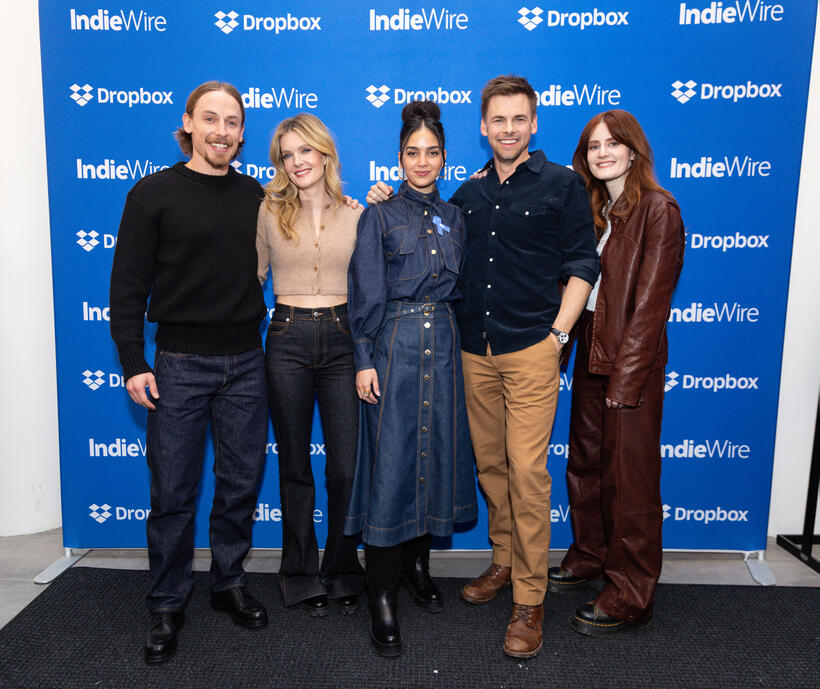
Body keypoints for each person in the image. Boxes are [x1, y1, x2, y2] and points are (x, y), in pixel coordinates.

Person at [366, 75, 599, 658]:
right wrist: (372, 199)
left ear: (534, 123)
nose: (508, 129)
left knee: (527, 473)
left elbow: (582, 265)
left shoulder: (563, 184)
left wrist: (558, 336)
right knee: (491, 468)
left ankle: (529, 598)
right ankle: (503, 560)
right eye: (498, 120)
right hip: (471, 353)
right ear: (483, 127)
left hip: (531, 350)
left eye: (519, 119)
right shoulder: (466, 196)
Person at [109, 81, 269, 664]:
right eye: (211, 119)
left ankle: (228, 583)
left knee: (240, 484)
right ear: (188, 123)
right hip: (177, 364)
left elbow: (313, 222)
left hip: (247, 361)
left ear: (242, 133)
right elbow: (127, 286)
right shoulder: (152, 194)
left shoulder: (256, 194)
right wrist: (133, 362)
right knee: (173, 492)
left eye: (232, 122)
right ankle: (166, 602)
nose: (221, 131)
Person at [345, 100, 478, 657]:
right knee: (393, 463)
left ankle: (418, 568)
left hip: (444, 343)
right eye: (412, 152)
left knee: (434, 455)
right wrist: (363, 358)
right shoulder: (378, 215)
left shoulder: (457, 216)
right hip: (394, 344)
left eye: (432, 152)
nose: (422, 161)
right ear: (399, 158)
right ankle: (381, 592)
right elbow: (365, 290)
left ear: (445, 158)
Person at [547, 110, 685, 635]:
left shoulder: (658, 209)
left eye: (612, 143)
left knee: (630, 481)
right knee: (586, 464)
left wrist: (626, 378)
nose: (602, 153)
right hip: (591, 352)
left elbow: (650, 307)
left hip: (632, 364)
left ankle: (631, 593)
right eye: (593, 146)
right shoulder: (598, 212)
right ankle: (591, 555)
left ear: (633, 150)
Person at [256, 114, 365, 617]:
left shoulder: (356, 212)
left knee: (345, 466)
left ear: (325, 153)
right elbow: (252, 277)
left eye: (305, 151)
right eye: (287, 154)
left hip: (343, 339)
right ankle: (299, 573)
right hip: (286, 337)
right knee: (294, 463)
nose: (297, 161)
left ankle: (343, 568)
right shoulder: (268, 211)